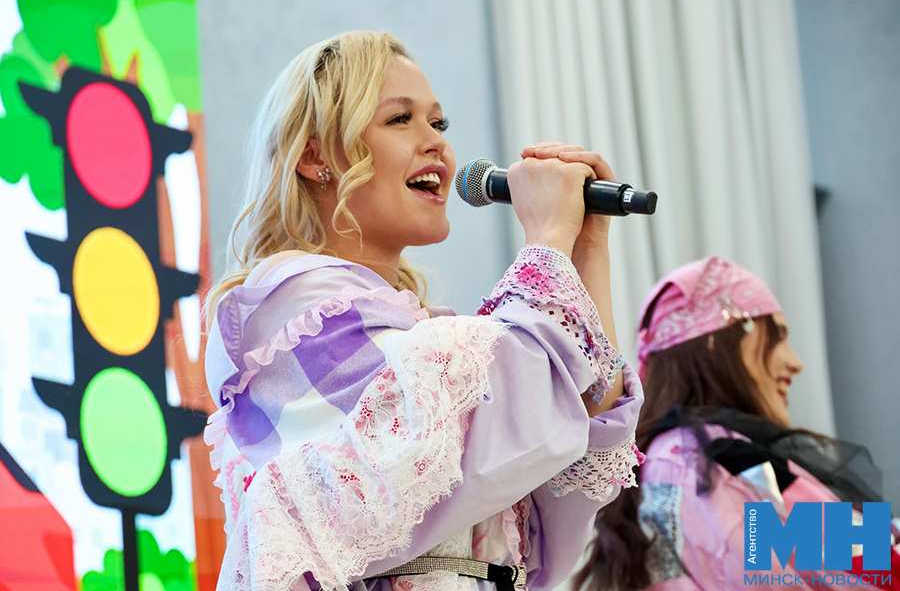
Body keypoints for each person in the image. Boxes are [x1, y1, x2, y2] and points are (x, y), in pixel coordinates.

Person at [202, 30, 644, 591]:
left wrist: (586, 246)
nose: (436, 143)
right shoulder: (290, 312)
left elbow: (573, 436)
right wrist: (547, 236)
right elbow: (487, 440)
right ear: (315, 157)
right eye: (399, 119)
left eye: (439, 123)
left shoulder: (425, 341)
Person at [574, 256, 899, 591]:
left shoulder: (694, 454)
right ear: (715, 340)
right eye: (778, 336)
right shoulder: (705, 459)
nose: (795, 362)